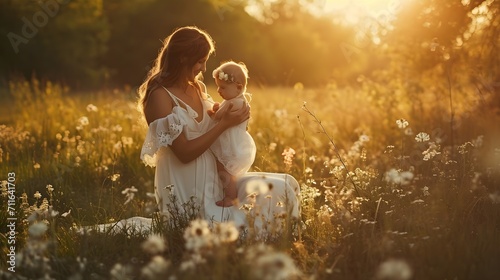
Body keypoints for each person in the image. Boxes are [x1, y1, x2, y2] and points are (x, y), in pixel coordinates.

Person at [139, 26, 300, 229]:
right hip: (188, 192)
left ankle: (294, 241)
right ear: (183, 58)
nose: (204, 69)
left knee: (285, 185)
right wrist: (224, 125)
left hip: (217, 183)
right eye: (200, 61)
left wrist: (237, 117)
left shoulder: (198, 88)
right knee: (256, 216)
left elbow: (217, 125)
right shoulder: (159, 96)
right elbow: (184, 153)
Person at [210, 61, 256, 207]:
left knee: (226, 169)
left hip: (232, 143)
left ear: (238, 87)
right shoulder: (236, 101)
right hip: (233, 141)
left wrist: (212, 112)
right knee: (227, 170)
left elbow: (217, 117)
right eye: (218, 86)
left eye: (222, 87)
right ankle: (228, 192)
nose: (218, 90)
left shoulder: (233, 103)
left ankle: (230, 196)